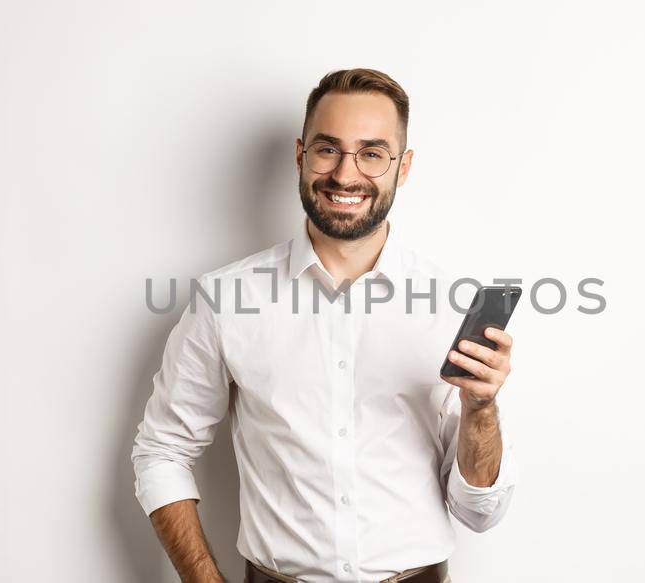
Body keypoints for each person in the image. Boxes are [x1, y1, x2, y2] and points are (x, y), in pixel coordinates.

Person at [131, 68, 518, 583]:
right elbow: (162, 451)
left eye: (372, 153)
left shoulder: (450, 307)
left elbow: (480, 513)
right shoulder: (225, 300)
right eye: (327, 149)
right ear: (300, 155)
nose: (345, 174)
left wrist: (482, 409)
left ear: (402, 168)